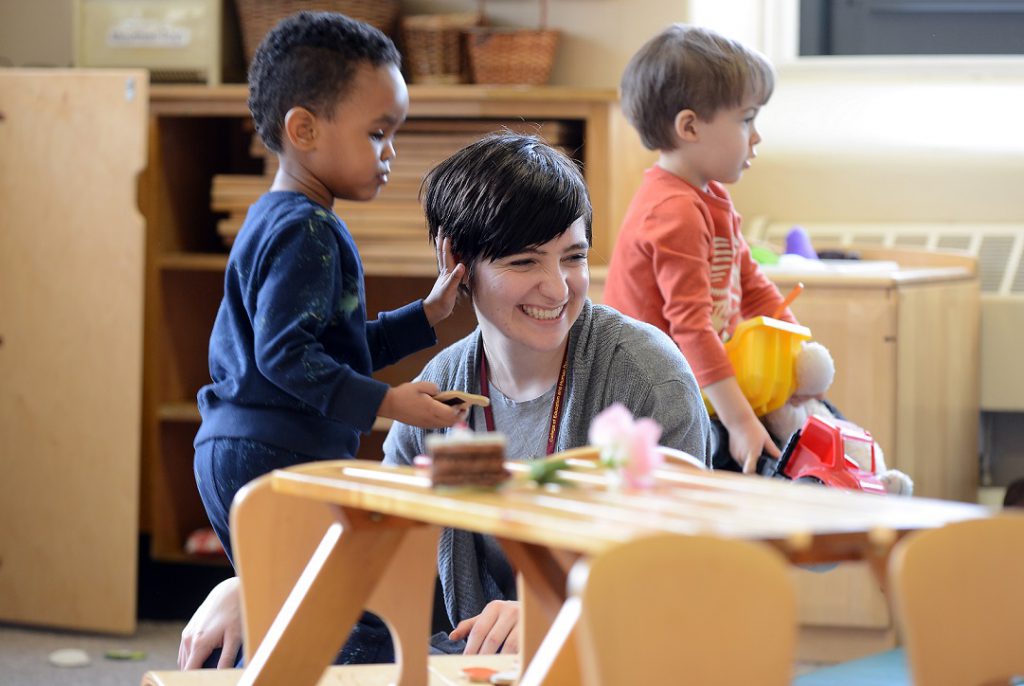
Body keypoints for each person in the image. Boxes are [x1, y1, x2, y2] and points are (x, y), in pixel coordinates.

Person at [182, 11, 465, 669]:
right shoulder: (305, 231)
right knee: (344, 613)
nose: (391, 152)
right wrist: (390, 405)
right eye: (378, 133)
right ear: (303, 129)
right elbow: (287, 359)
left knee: (303, 603)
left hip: (244, 447)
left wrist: (423, 315)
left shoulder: (284, 218)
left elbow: (324, 346)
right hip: (268, 453)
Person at [382, 133, 712, 655]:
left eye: (573, 257)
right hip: (479, 660)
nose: (558, 288)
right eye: (525, 262)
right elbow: (378, 538)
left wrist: (555, 607)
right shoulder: (443, 389)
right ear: (457, 265)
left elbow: (679, 565)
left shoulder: (644, 374)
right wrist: (253, 588)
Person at [602, 24, 797, 475]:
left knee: (801, 418)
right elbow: (689, 329)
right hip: (653, 396)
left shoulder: (709, 198)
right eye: (747, 119)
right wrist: (741, 421)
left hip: (702, 379)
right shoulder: (674, 211)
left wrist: (800, 356)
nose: (757, 136)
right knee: (761, 457)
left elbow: (753, 285)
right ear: (689, 126)